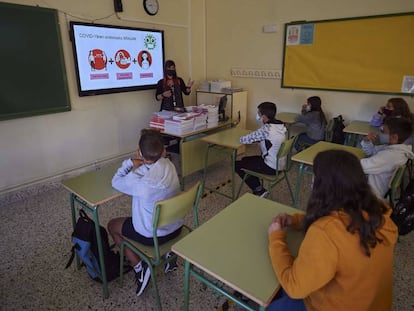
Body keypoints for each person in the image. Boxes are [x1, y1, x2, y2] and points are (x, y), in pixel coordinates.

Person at [267, 149, 398, 311]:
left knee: (271, 305)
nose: (312, 181)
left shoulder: (324, 232)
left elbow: (294, 287)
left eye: (315, 176)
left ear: (324, 185)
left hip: (335, 305)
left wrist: (276, 237)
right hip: (373, 304)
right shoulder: (379, 213)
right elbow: (340, 220)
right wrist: (295, 220)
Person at [107, 128, 181, 297]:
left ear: (139, 152)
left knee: (113, 225)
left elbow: (116, 182)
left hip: (153, 236)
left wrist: (129, 164)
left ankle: (140, 268)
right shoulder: (170, 165)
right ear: (164, 151)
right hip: (176, 229)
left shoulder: (138, 181)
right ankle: (170, 256)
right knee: (159, 210)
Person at [235, 102, 287, 197]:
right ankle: (258, 186)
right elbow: (269, 140)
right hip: (280, 164)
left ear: (264, 116)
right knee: (245, 160)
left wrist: (237, 137)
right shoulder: (281, 126)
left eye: (259, 113)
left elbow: (244, 139)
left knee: (237, 165)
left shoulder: (266, 129)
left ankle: (259, 190)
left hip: (270, 167)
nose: (257, 115)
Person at [360, 116, 414, 199]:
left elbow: (362, 166)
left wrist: (342, 160)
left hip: (371, 194)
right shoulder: (396, 149)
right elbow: (371, 151)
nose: (379, 133)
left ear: (394, 137)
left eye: (383, 131)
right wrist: (367, 140)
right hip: (374, 187)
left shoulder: (391, 155)